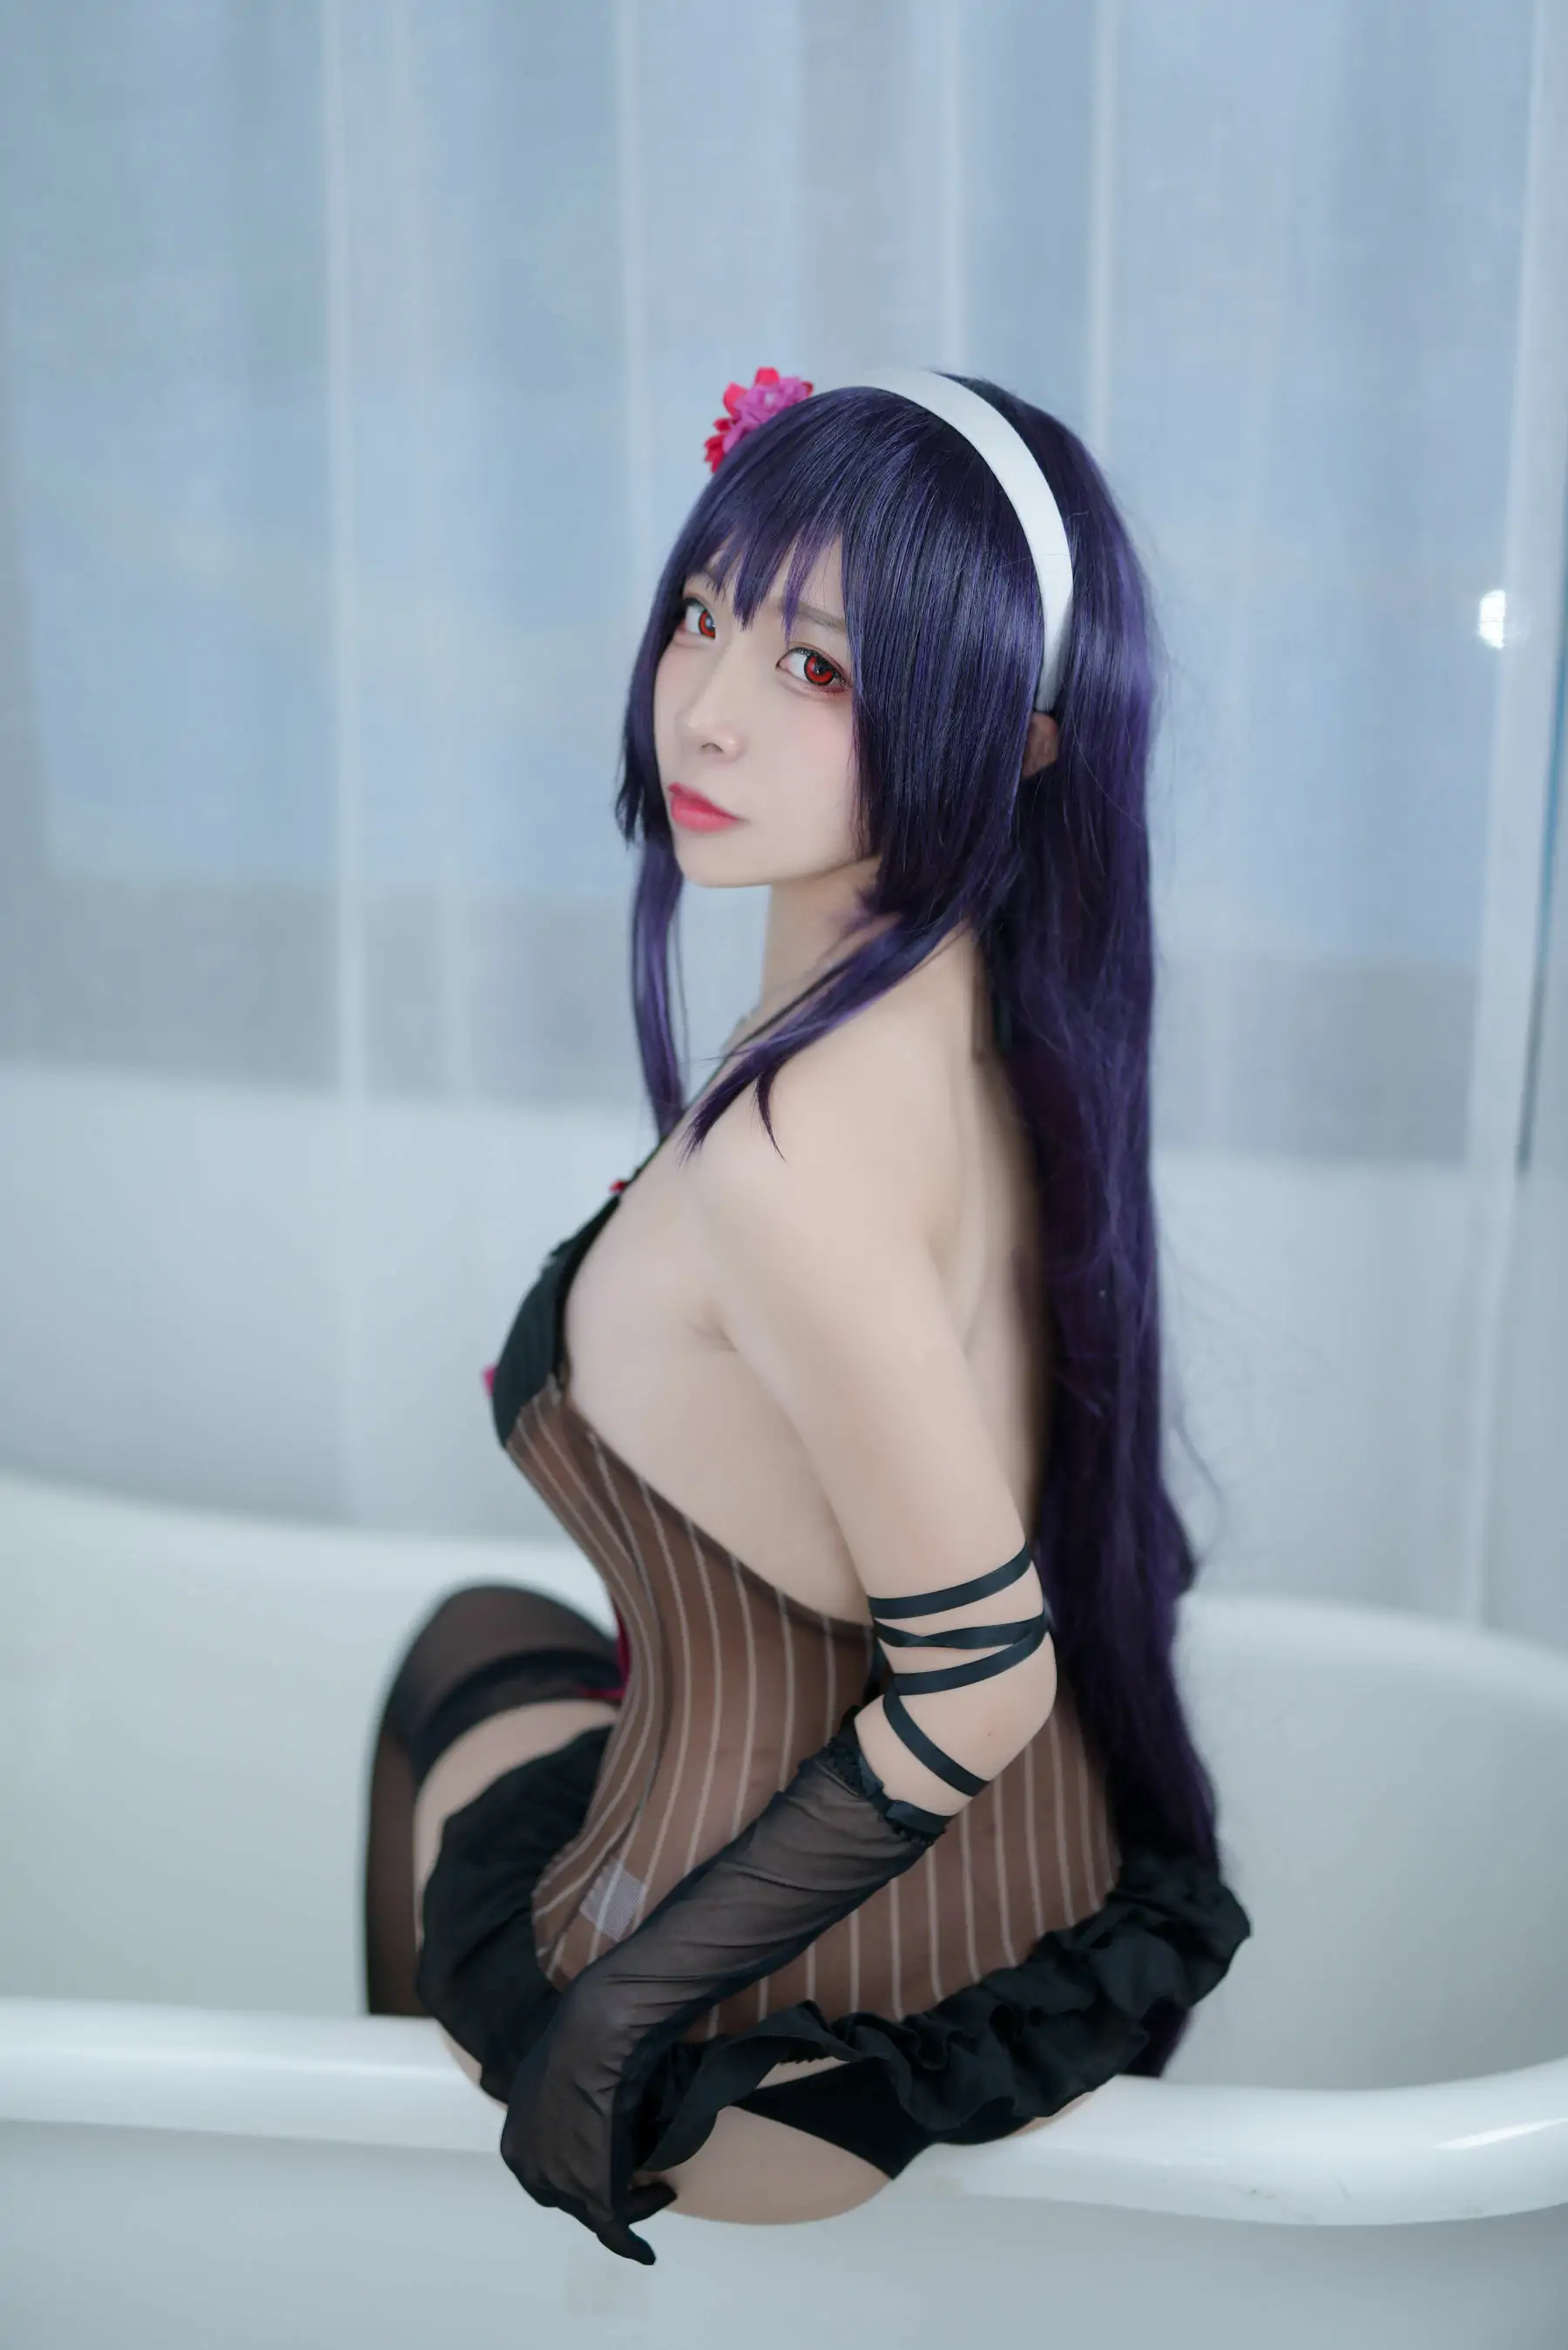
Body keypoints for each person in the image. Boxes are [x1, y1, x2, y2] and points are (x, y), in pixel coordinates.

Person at [362, 365, 1252, 2265]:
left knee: (445, 1687)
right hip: (1039, 1902)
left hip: (782, 2030)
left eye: (817, 667)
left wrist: (620, 2018)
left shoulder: (794, 1161)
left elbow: (985, 1676)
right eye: (704, 614)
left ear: (1014, 735)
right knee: (476, 1642)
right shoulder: (983, 1022)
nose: (706, 706)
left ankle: (399, 2259)